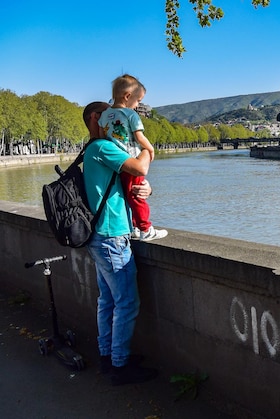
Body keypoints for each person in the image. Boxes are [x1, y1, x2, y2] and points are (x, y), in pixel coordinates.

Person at [82, 101, 159, 386]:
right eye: (108, 114)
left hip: (100, 235)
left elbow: (132, 181)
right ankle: (119, 366)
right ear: (95, 118)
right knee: (126, 303)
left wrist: (145, 188)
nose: (117, 120)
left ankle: (108, 356)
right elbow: (141, 166)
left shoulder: (92, 149)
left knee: (108, 300)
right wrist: (146, 146)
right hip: (112, 236)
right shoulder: (103, 147)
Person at [98, 74, 167, 241]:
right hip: (132, 160)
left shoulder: (104, 115)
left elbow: (102, 137)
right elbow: (139, 137)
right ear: (128, 97)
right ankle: (145, 229)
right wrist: (150, 149)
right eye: (138, 100)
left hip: (118, 163)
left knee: (128, 195)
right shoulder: (130, 114)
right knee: (138, 195)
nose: (137, 105)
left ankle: (135, 227)